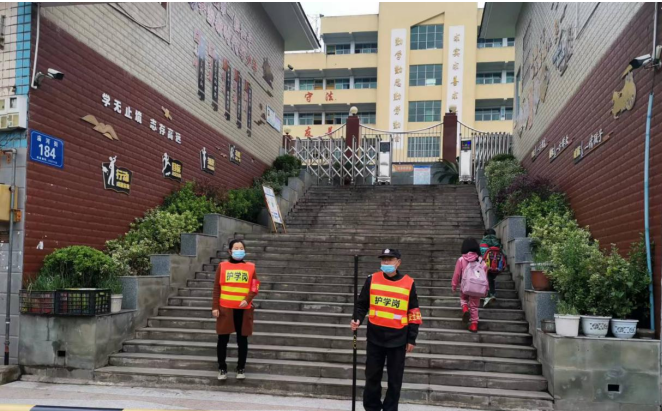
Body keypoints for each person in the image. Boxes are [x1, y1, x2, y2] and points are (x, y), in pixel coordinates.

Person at [350, 249, 422, 411]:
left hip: (398, 339)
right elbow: (362, 304)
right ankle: (372, 407)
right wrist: (357, 318)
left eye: (390, 259)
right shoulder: (372, 280)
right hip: (375, 337)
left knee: (395, 380)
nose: (386, 263)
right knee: (372, 376)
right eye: (383, 260)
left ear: (398, 262)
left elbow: (413, 311)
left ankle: (390, 408)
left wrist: (412, 337)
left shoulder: (408, 283)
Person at [212, 239, 260, 381]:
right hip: (225, 309)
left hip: (243, 309)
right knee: (222, 339)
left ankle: (241, 368)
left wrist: (248, 299)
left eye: (241, 248)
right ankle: (222, 368)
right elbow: (216, 288)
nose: (239, 250)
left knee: (242, 339)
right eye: (236, 248)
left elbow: (255, 286)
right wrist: (215, 307)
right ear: (230, 251)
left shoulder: (250, 267)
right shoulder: (222, 266)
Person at [452, 238, 487, 333]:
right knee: (474, 306)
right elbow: (485, 275)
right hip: (477, 287)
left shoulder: (461, 260)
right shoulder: (481, 261)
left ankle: (465, 309)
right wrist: (486, 288)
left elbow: (456, 274)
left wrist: (454, 285)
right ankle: (474, 325)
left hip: (465, 286)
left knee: (463, 299)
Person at [480, 229, 507, 307]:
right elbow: (503, 254)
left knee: (487, 279)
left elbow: (481, 255)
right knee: (491, 278)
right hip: (497, 266)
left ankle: (488, 294)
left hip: (486, 265)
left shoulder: (483, 242)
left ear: (484, 235)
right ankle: (491, 293)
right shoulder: (497, 243)